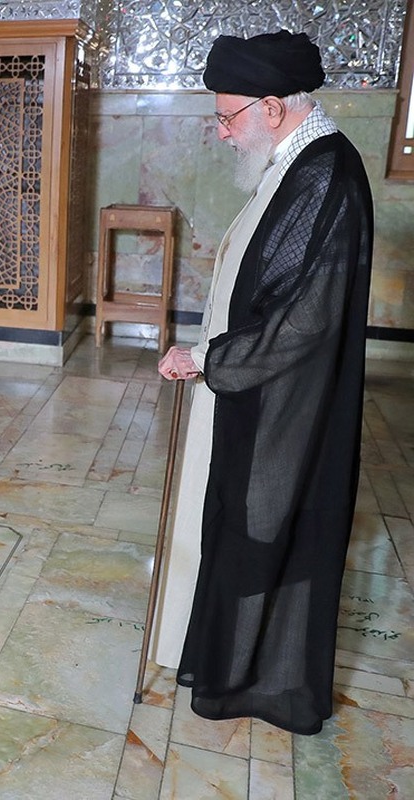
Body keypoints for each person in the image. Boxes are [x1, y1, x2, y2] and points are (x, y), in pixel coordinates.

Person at [151, 30, 373, 735]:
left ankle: (252, 675)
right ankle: (225, 654)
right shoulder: (296, 161)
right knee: (239, 525)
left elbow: (305, 319)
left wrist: (211, 360)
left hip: (283, 400)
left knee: (268, 526)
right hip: (253, 381)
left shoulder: (325, 174)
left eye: (228, 117)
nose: (221, 133)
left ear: (273, 107)